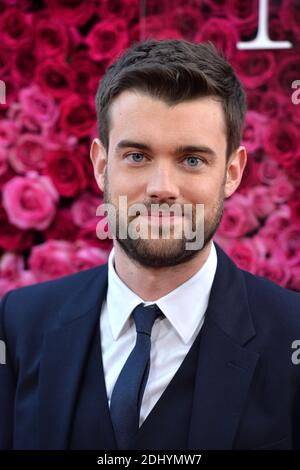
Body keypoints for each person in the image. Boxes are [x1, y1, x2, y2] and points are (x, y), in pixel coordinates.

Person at [0, 39, 299, 451]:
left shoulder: (292, 334)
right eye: (138, 156)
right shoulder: (19, 323)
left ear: (232, 172)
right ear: (102, 166)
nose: (162, 189)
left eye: (192, 160)